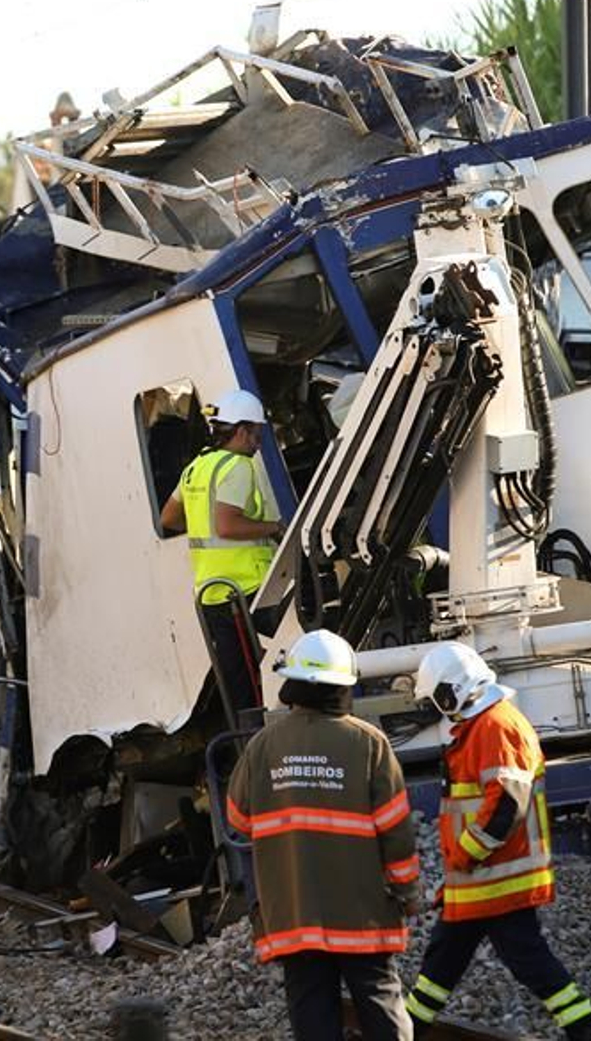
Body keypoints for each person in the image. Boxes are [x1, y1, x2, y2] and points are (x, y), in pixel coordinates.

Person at [226, 629, 420, 1040]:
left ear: (293, 684)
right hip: (361, 911)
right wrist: (407, 893)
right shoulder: (369, 744)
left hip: (294, 913)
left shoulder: (262, 746)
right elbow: (395, 831)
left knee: (311, 1012)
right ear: (343, 688)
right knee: (381, 1004)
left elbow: (238, 820)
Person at [405, 642, 591, 1040]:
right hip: (481, 882)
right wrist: (458, 873)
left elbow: (506, 803)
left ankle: (586, 1032)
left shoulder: (495, 726)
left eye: (435, 699)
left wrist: (464, 856)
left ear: (450, 692)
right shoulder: (483, 726)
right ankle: (405, 1032)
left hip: (496, 881)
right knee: (441, 964)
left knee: (529, 964)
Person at [160, 389, 281, 717]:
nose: (258, 443)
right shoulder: (238, 466)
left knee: (240, 686)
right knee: (294, 658)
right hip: (249, 591)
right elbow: (228, 526)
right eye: (256, 434)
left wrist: (203, 524)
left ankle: (251, 749)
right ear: (241, 431)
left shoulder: (197, 467)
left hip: (212, 593)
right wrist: (275, 528)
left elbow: (168, 518)